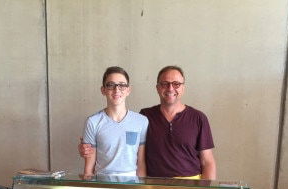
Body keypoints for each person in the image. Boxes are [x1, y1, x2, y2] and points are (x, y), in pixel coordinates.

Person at [79, 66, 216, 179]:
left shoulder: (198, 118)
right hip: (154, 186)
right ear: (157, 88)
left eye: (176, 84)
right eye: (164, 84)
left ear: (183, 88)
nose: (170, 88)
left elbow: (207, 161)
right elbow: (121, 142)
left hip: (189, 188)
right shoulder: (146, 116)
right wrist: (87, 148)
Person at [82, 66, 148, 177]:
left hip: (131, 184)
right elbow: (88, 169)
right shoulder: (93, 122)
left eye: (122, 85)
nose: (117, 90)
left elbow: (141, 163)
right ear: (103, 90)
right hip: (102, 184)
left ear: (128, 90)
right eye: (111, 85)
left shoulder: (141, 121)